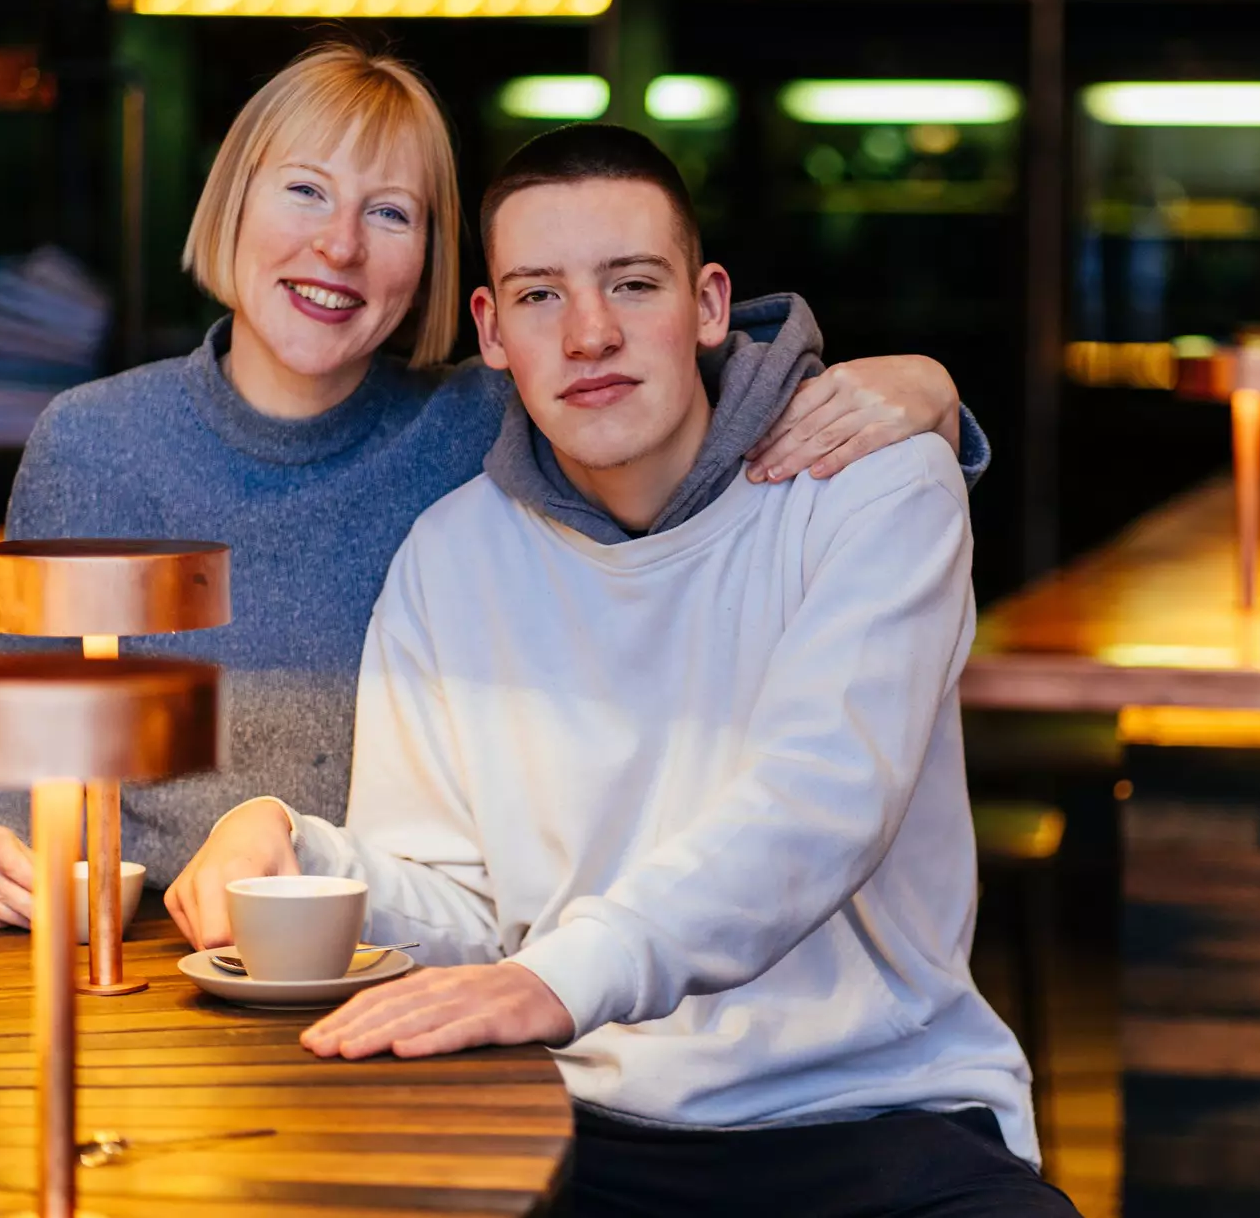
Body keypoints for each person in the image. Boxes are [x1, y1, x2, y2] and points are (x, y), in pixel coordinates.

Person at [170, 124, 1076, 1218]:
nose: (590, 332)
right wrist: (293, 847)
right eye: (540, 295)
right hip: (576, 1124)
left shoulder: (870, 488)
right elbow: (455, 898)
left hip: (875, 1118)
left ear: (705, 304)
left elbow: (818, 805)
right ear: (491, 329)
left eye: (631, 284)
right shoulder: (453, 554)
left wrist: (554, 977)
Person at [0, 43, 987, 928]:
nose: (337, 245)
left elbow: (661, 365)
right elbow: (17, 775)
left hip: (405, 953)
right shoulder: (95, 441)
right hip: (161, 958)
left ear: (436, 266)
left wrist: (922, 389)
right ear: (232, 202)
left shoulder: (478, 418)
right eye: (304, 190)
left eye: (391, 214)